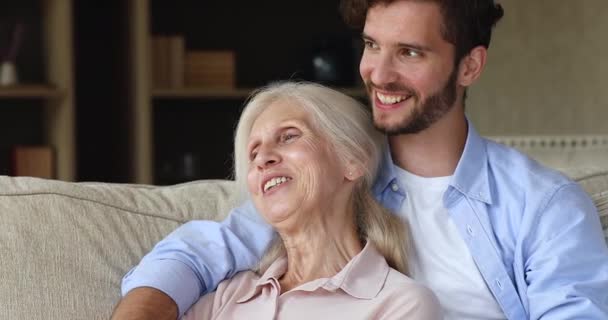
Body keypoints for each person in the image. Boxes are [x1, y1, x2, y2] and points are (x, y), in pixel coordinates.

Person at [113, 0, 608, 319]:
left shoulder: (545, 207)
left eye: (410, 53)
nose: (379, 73)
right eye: (372, 45)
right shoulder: (330, 181)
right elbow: (192, 256)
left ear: (470, 66)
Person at [178, 81, 441, 319]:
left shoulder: (400, 303)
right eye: (253, 153)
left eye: (289, 136)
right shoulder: (227, 295)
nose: (262, 159)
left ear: (354, 160)